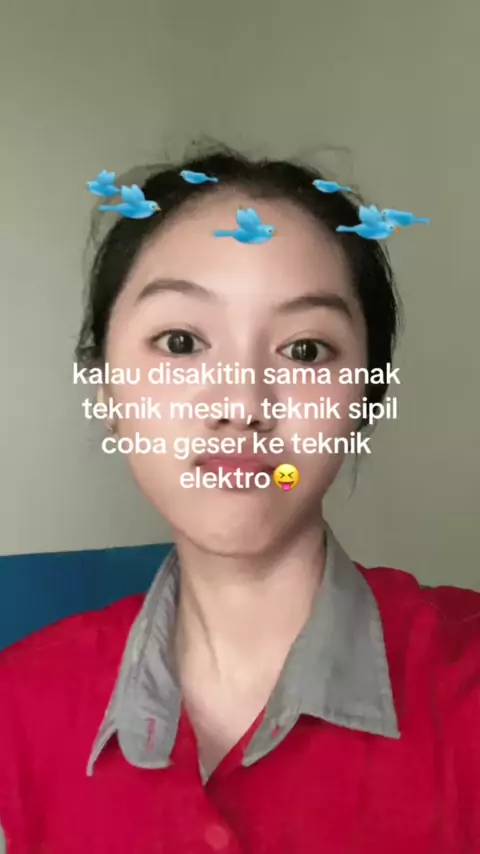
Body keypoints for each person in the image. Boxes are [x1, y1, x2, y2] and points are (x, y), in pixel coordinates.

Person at [0, 146, 478, 854]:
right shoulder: (18, 704)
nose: (243, 405)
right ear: (105, 390)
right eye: (181, 341)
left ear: (365, 401)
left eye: (305, 350)